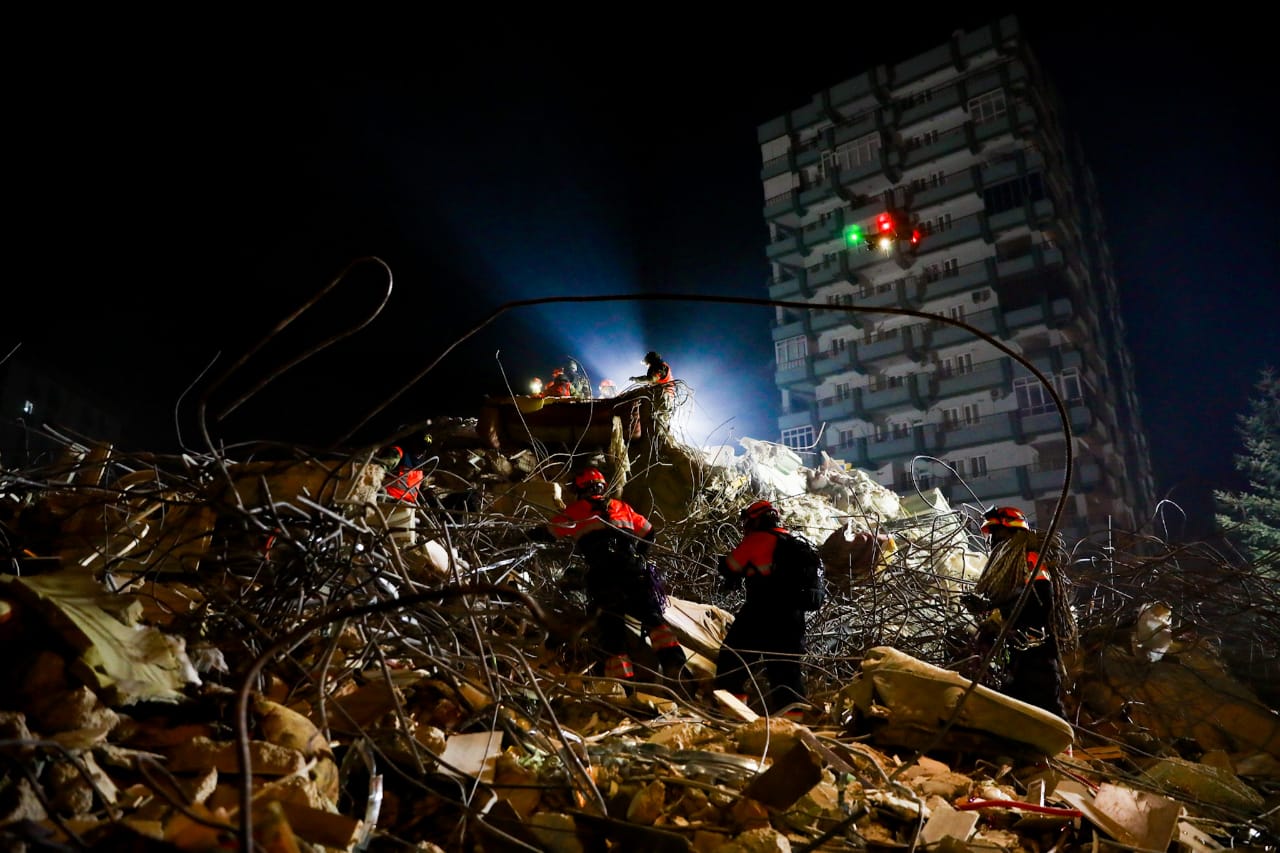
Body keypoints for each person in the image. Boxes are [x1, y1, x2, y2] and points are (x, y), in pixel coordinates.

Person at [540, 467, 686, 688]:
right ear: (602, 488)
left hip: (603, 574)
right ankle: (674, 665)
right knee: (653, 618)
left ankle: (623, 686)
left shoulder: (577, 510)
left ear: (580, 489)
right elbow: (649, 532)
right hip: (632, 570)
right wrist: (639, 556)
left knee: (611, 631)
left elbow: (549, 532)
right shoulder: (621, 507)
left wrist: (526, 534)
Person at [961, 506, 1077, 719]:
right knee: (1015, 706)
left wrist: (998, 612)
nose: (991, 540)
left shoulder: (1030, 559)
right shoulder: (1007, 566)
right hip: (1016, 656)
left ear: (1012, 532)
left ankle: (1062, 750)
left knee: (1048, 708)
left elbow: (1040, 601)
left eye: (995, 533)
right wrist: (984, 609)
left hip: (1037, 652)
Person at [713, 499, 811, 716]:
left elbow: (731, 566)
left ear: (754, 521)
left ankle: (731, 718)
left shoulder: (758, 539)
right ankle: (794, 730)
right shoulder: (796, 541)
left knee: (733, 662)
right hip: (793, 619)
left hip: (761, 614)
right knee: (786, 675)